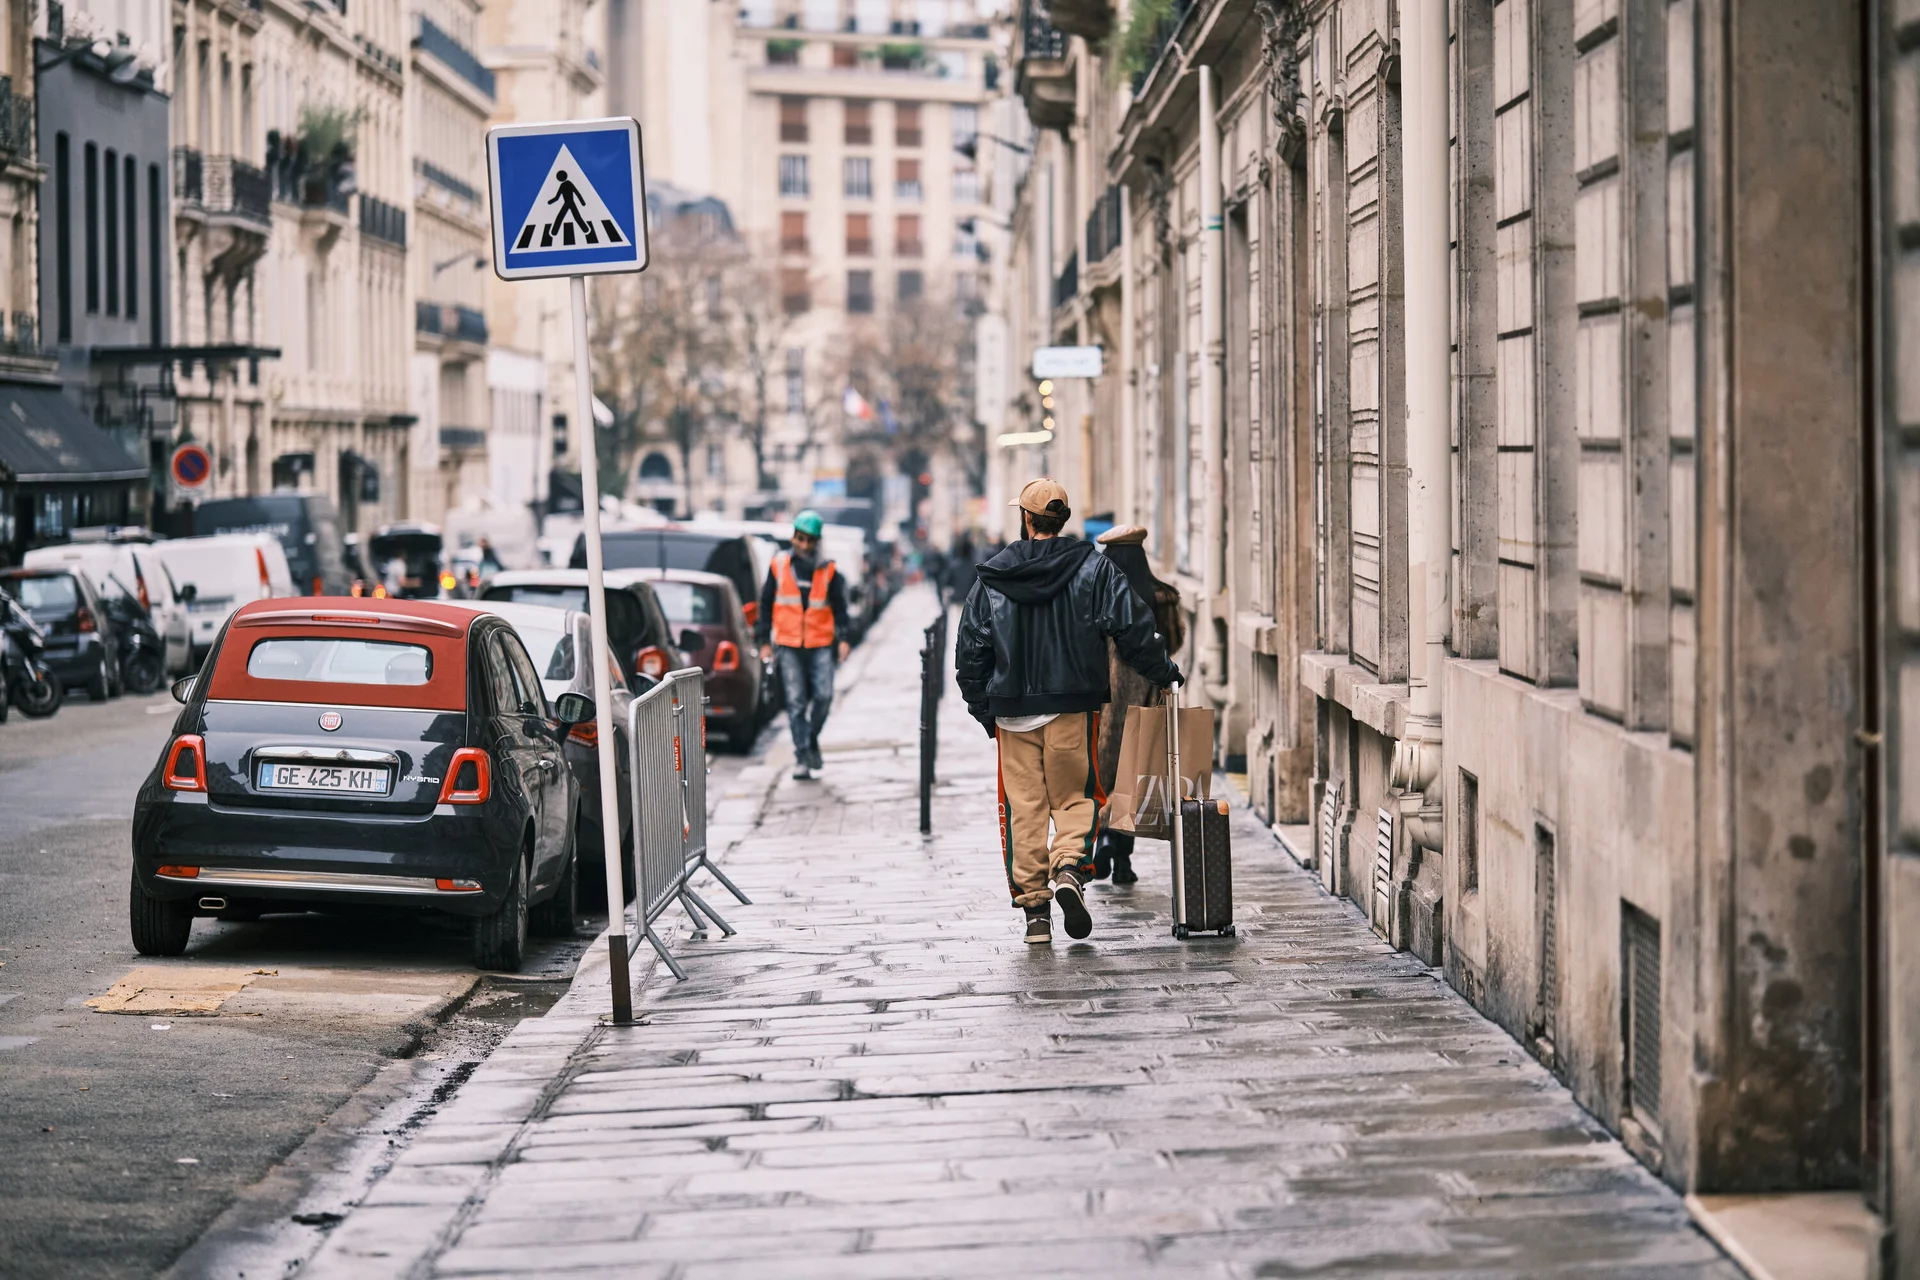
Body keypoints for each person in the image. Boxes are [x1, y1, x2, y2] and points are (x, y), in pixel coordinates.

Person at [956, 479, 1181, 946]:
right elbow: (1135, 627)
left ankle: (1036, 914)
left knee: (1025, 809)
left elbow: (970, 651)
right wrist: (1164, 672)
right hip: (1073, 708)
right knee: (1077, 798)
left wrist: (984, 711)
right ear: (1064, 519)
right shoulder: (1093, 570)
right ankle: (1068, 869)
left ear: (1026, 518)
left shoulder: (992, 577)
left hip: (1014, 713)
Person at [1090, 526, 1187, 886]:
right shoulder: (1161, 597)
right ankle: (1123, 862)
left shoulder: (1094, 595)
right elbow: (1172, 644)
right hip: (1145, 700)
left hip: (1102, 701)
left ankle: (1101, 843)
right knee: (1135, 775)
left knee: (1103, 777)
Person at [757, 510, 851, 781]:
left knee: (823, 697)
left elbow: (840, 608)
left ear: (817, 541)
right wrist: (764, 640)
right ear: (793, 537)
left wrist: (843, 638)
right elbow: (765, 604)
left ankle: (809, 740)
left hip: (821, 642)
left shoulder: (830, 571)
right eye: (800, 538)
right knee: (796, 702)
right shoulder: (778, 566)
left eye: (810, 540)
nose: (805, 545)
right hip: (788, 644)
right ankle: (802, 756)